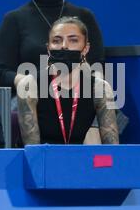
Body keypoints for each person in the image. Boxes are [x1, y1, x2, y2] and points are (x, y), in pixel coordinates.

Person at [0, 0, 112, 143]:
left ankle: (101, 168)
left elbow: (97, 65)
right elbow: (1, 72)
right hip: (34, 94)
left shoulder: (84, 16)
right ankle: (37, 166)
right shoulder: (15, 19)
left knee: (104, 96)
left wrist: (72, 81)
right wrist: (31, 80)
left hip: (78, 93)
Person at [16, 17, 119, 145]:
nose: (64, 46)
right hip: (43, 160)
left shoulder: (100, 88)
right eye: (57, 41)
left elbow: (112, 149)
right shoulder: (29, 85)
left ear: (86, 49)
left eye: (73, 40)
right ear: (48, 49)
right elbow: (33, 151)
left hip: (79, 160)